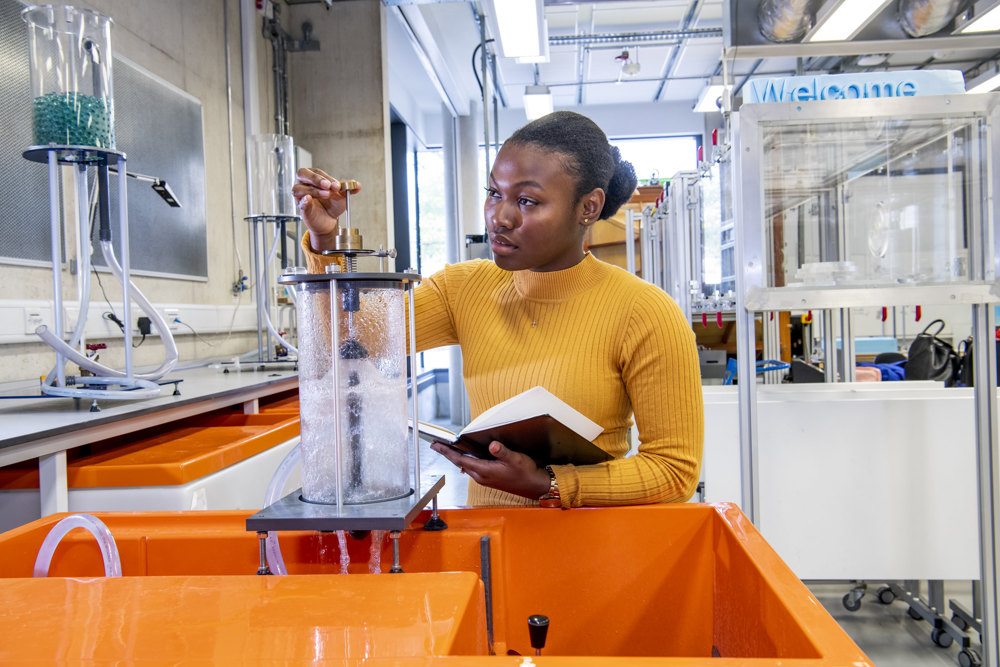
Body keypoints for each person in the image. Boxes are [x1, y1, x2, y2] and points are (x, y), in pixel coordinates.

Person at [293, 110, 703, 508]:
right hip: (487, 545)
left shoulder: (644, 312)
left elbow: (674, 470)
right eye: (494, 193)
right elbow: (349, 340)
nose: (499, 217)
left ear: (588, 208)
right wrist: (326, 242)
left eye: (527, 200)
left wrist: (550, 484)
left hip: (591, 549)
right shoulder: (464, 288)